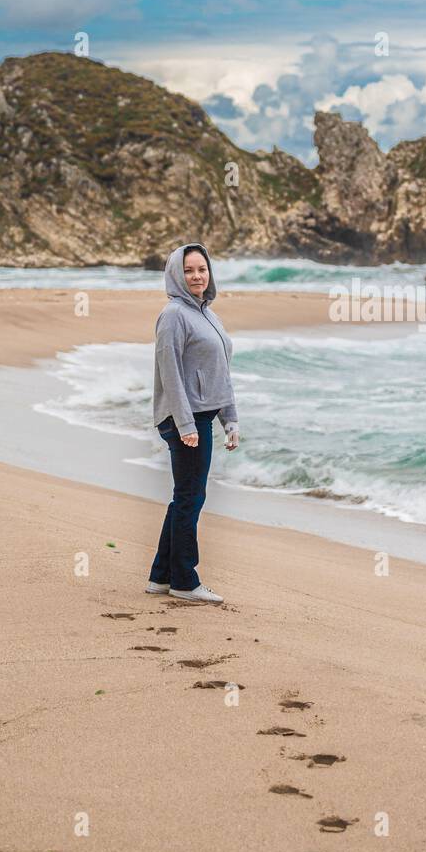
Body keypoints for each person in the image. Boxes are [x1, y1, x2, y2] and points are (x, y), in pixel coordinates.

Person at [146, 243, 239, 603]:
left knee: (185, 497)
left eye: (202, 269)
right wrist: (185, 425)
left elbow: (220, 373)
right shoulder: (173, 315)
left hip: (201, 416)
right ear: (175, 275)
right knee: (190, 498)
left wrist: (230, 419)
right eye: (188, 271)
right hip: (183, 419)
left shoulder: (207, 314)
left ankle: (161, 576)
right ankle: (185, 581)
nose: (197, 276)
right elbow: (170, 374)